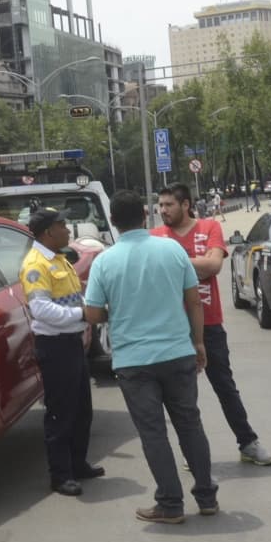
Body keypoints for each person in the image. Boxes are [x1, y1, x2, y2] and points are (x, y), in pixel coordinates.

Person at [84, 189, 217, 524]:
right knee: (190, 424)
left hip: (133, 362)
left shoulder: (104, 262)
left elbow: (94, 316)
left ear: (112, 221)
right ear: (146, 216)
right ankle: (207, 497)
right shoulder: (172, 250)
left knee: (153, 432)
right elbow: (194, 301)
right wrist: (198, 343)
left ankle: (171, 505)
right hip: (178, 353)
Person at [152, 183, 271, 466]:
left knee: (224, 386)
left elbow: (214, 266)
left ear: (185, 205)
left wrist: (174, 261)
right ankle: (192, 451)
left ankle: (248, 442)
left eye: (169, 204)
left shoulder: (209, 228)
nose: (163, 210)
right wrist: (199, 261)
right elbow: (203, 264)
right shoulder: (156, 235)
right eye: (161, 205)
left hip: (210, 323)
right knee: (183, 395)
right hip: (173, 327)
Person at [19, 207, 103, 497]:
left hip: (71, 342)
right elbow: (40, 309)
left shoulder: (58, 258)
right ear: (48, 232)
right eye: (62, 225)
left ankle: (78, 464)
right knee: (61, 413)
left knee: (82, 408)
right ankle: (60, 474)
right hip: (55, 346)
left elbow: (72, 295)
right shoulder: (36, 264)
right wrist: (82, 315)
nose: (68, 229)